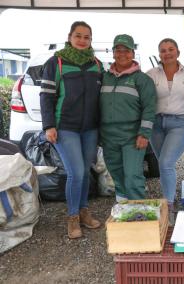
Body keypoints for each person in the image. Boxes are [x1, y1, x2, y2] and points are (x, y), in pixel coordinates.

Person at [40, 21, 102, 239]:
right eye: (78, 36)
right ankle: (73, 217)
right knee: (76, 172)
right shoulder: (56, 62)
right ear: (70, 37)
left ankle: (84, 211)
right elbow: (46, 96)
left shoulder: (96, 63)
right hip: (65, 127)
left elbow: (100, 98)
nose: (82, 40)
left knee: (85, 171)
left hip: (90, 128)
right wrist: (49, 125)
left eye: (87, 37)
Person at [100, 34, 156, 203]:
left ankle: (138, 213)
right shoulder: (104, 77)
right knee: (116, 174)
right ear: (113, 52)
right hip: (109, 136)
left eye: (126, 50)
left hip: (132, 136)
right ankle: (124, 209)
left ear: (133, 53)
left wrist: (144, 134)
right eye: (118, 50)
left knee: (132, 175)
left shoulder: (142, 79)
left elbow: (149, 108)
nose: (122, 54)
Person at [147, 38, 184, 223]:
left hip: (180, 122)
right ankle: (168, 198)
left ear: (178, 52)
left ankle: (169, 205)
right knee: (163, 164)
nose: (167, 53)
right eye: (163, 50)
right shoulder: (151, 73)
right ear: (159, 54)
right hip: (156, 123)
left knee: (166, 162)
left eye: (170, 49)